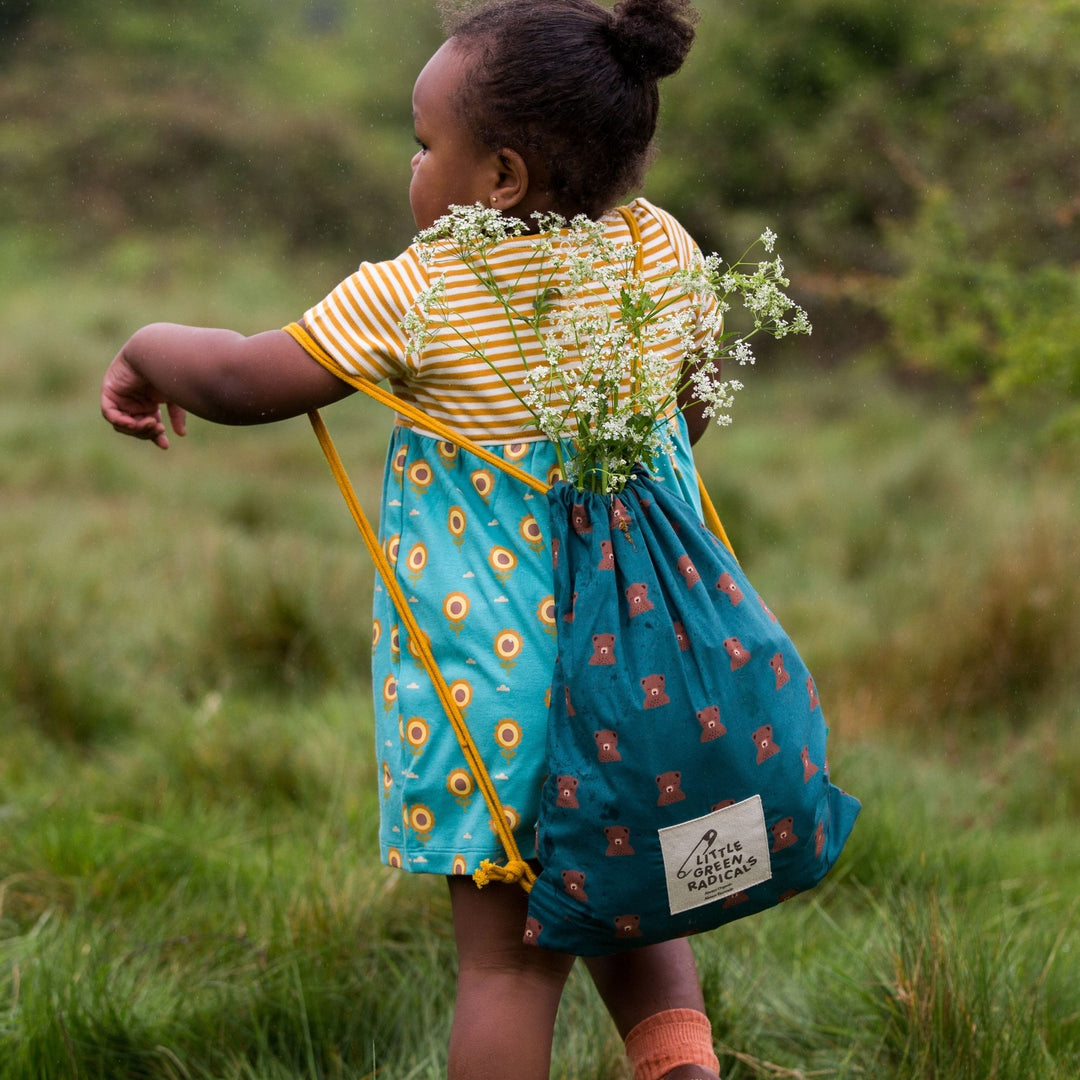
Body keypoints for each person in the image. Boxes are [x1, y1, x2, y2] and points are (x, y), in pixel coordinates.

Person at [101, 2, 724, 1077]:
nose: (413, 162)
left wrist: (146, 347)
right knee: (642, 918)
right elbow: (688, 404)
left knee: (506, 971)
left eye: (426, 141)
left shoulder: (424, 289)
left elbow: (248, 381)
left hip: (499, 698)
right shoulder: (659, 247)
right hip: (652, 673)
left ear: (502, 181)